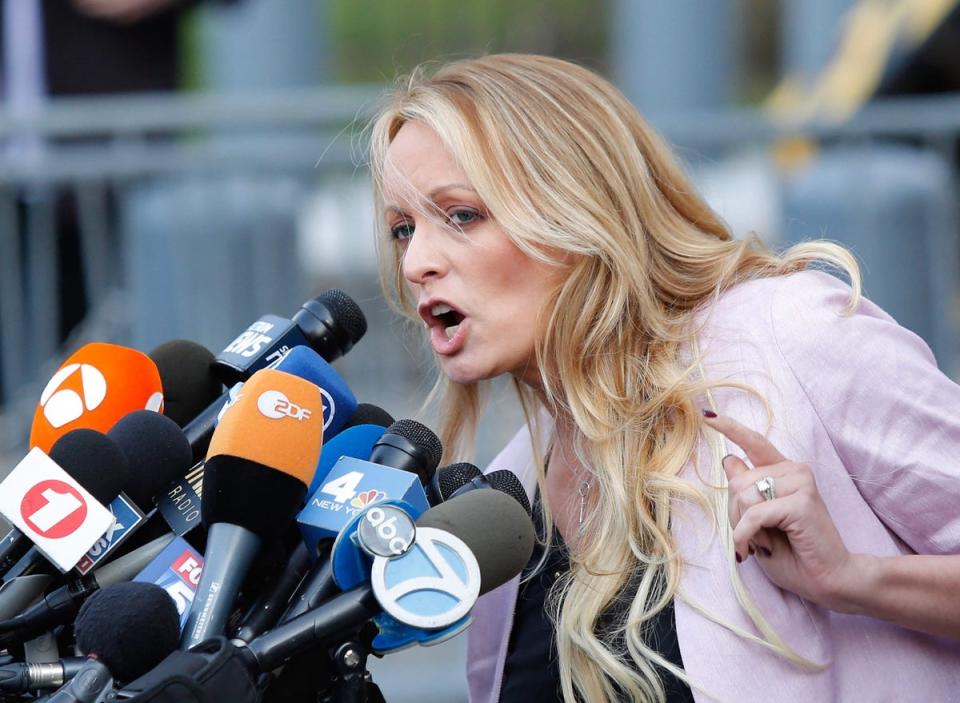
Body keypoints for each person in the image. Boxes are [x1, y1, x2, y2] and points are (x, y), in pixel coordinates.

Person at [368, 54, 960, 703]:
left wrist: (855, 578)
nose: (417, 262)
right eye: (402, 230)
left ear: (577, 206)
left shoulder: (788, 333)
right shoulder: (506, 504)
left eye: (461, 215)